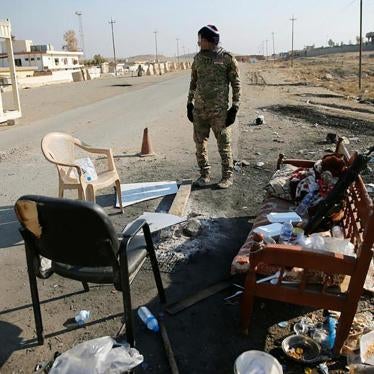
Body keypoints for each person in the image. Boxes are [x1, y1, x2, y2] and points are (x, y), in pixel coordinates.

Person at [187, 24, 241, 189]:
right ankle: (205, 174)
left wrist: (235, 106)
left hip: (219, 112)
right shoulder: (197, 59)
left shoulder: (226, 58)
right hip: (200, 111)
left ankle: (227, 177)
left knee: (224, 144)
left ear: (209, 40)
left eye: (200, 39)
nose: (198, 43)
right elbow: (193, 82)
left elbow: (236, 84)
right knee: (199, 143)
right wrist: (189, 103)